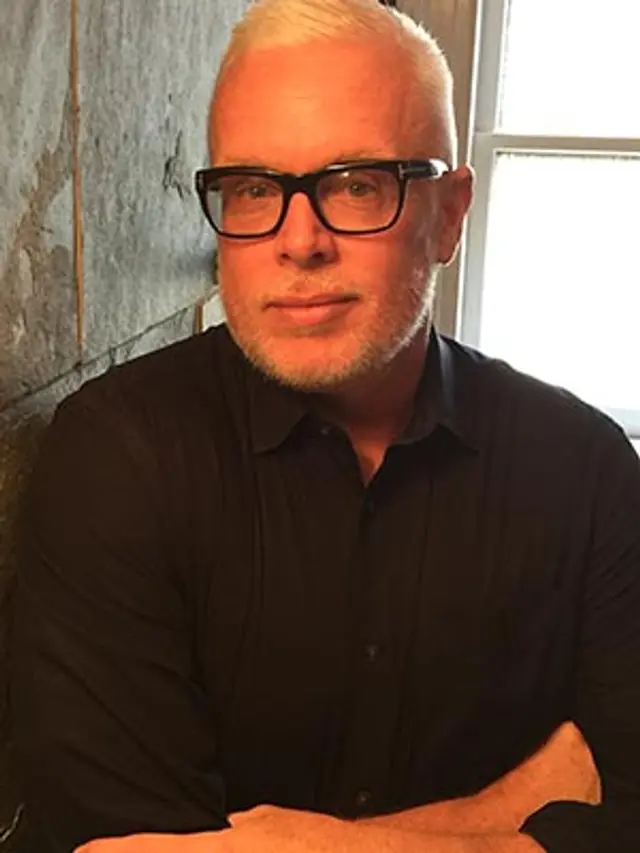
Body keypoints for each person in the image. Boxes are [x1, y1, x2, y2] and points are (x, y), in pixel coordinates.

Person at [11, 0, 640, 851]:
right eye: (254, 188)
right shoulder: (117, 456)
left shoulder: (587, 470)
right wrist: (505, 818)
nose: (298, 241)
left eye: (355, 184)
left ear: (450, 214)